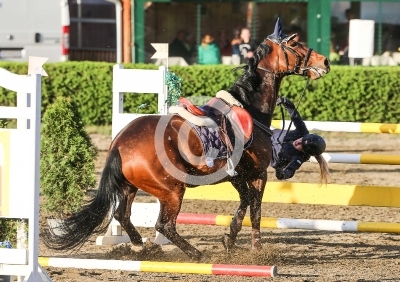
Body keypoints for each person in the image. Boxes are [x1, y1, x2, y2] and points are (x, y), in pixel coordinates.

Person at [271, 96, 330, 184]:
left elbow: (291, 170)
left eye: (301, 146)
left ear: (305, 152)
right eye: (301, 139)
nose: (297, 142)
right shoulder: (303, 131)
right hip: (269, 134)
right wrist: (285, 101)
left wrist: (282, 175)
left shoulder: (301, 157)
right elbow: (295, 116)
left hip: (267, 155)